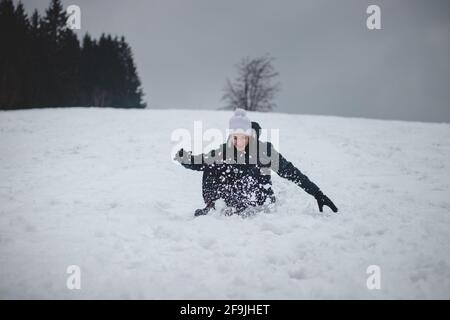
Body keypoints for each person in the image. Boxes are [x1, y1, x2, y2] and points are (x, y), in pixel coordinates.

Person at [174, 108, 338, 216]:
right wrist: (184, 158)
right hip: (233, 197)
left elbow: (292, 173)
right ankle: (213, 206)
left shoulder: (264, 151)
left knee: (255, 169)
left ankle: (250, 209)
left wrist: (317, 193)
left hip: (258, 199)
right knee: (212, 165)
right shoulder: (226, 150)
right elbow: (200, 162)